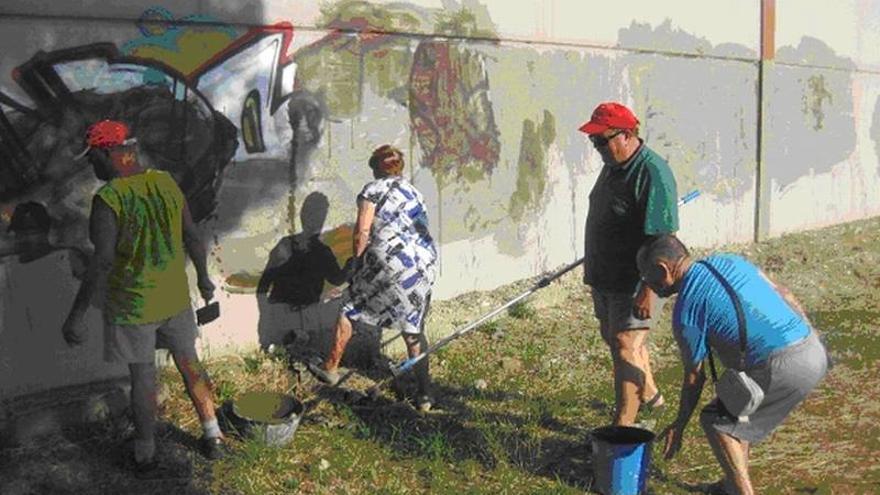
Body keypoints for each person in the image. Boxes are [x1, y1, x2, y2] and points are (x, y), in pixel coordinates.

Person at [60, 120, 226, 478]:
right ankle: (213, 434)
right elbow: (193, 236)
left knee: (143, 378)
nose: (93, 166)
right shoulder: (166, 183)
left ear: (110, 154)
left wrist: (76, 315)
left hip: (133, 304)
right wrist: (203, 278)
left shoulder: (109, 199)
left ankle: (145, 455)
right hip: (175, 298)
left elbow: (102, 261)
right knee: (190, 364)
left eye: (94, 159)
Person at [637, 235, 829, 495]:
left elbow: (695, 377)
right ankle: (730, 486)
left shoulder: (686, 311)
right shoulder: (729, 261)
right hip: (812, 348)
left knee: (715, 421)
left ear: (663, 269)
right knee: (737, 408)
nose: (647, 284)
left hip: (782, 366)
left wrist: (679, 425)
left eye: (646, 277)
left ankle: (742, 492)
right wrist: (811, 334)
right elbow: (784, 293)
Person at [307, 145, 438, 412]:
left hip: (389, 264)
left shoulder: (373, 190)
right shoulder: (415, 193)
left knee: (348, 307)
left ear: (376, 168)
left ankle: (330, 368)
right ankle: (425, 395)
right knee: (413, 328)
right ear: (400, 168)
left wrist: (355, 265)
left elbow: (362, 232)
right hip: (424, 265)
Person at [578, 102, 679, 425]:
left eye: (602, 141)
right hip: (606, 276)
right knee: (615, 337)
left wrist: (648, 291)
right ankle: (651, 396)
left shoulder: (652, 173)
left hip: (635, 281)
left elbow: (663, 241)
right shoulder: (614, 164)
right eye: (594, 142)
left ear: (627, 135)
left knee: (625, 346)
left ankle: (624, 428)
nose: (598, 148)